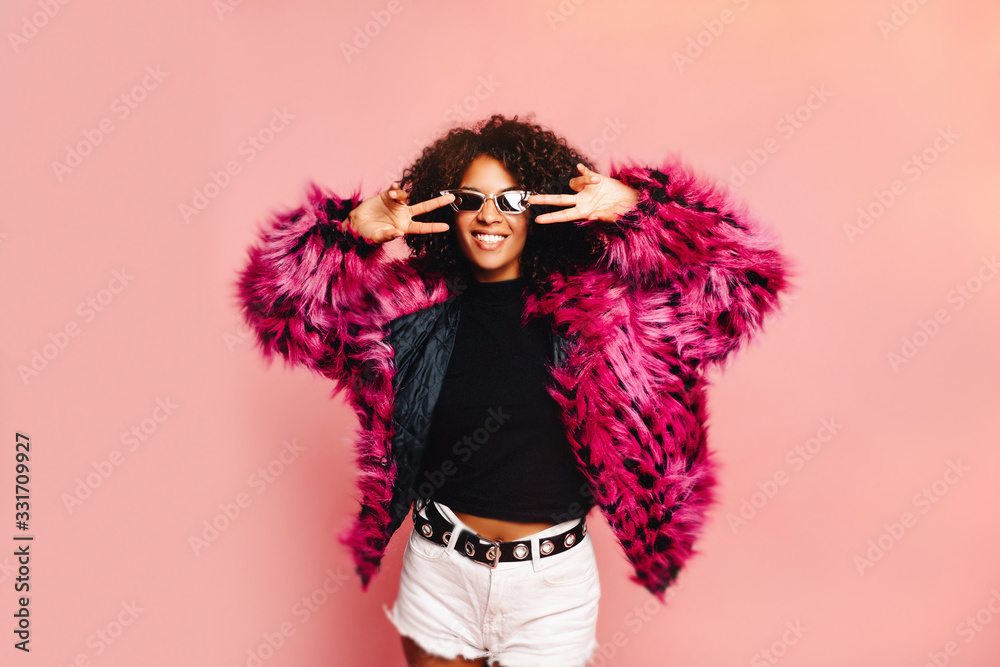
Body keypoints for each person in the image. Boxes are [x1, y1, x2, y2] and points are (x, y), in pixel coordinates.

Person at [236, 114, 793, 667]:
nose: (489, 215)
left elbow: (750, 280)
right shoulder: (403, 312)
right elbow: (278, 310)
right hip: (440, 572)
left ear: (539, 209)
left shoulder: (608, 315)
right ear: (447, 209)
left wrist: (638, 212)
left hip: (551, 587)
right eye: (470, 200)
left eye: (511, 200)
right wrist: (349, 233)